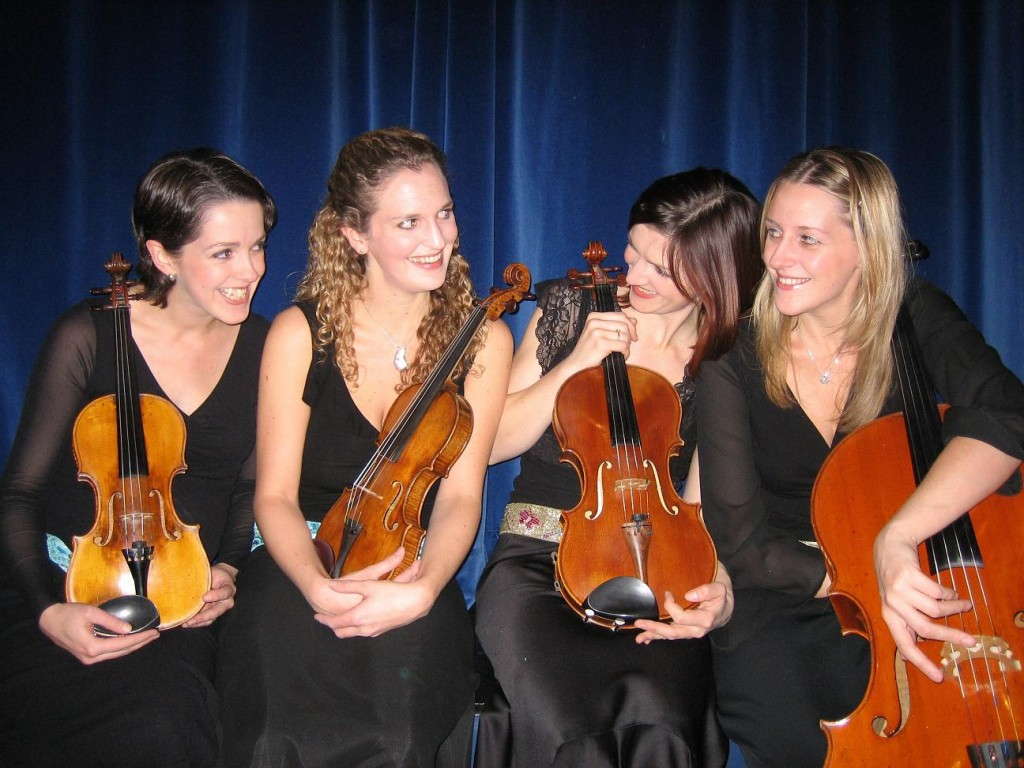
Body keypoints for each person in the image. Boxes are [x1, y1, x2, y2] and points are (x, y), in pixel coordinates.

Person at [696, 147, 1024, 767]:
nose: (777, 258)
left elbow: (1007, 415)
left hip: (919, 569)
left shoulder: (916, 316)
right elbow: (740, 542)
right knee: (801, 738)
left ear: (868, 247)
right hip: (787, 592)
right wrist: (862, 579)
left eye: (807, 239)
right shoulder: (732, 358)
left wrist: (899, 536)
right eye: (773, 232)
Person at [216, 127, 512, 767]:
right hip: (299, 559)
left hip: (411, 566)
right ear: (354, 235)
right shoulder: (301, 333)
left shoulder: (484, 341)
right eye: (408, 222)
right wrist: (318, 587)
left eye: (444, 213)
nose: (438, 240)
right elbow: (273, 497)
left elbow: (462, 498)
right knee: (275, 735)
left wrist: (427, 587)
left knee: (398, 734)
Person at [475, 168, 763, 767]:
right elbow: (493, 442)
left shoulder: (728, 353)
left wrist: (718, 588)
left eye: (663, 269)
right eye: (634, 253)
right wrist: (575, 361)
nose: (634, 277)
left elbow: (704, 502)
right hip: (537, 562)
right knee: (567, 726)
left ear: (717, 272)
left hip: (656, 564)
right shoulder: (570, 304)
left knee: (666, 715)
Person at [0, 148, 276, 767]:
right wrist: (49, 611)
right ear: (160, 255)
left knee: (169, 720)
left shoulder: (265, 345)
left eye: (257, 246)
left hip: (192, 599)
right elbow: (18, 492)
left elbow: (250, 491)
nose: (250, 270)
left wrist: (228, 570)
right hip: (65, 584)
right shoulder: (86, 334)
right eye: (223, 252)